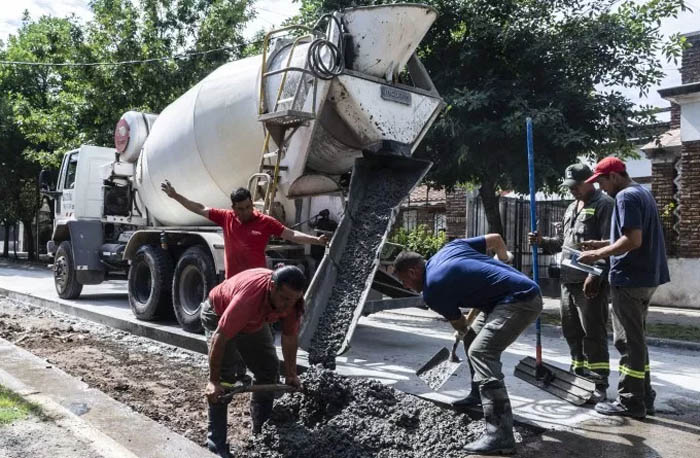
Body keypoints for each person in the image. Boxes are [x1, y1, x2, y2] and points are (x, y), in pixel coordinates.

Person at [394, 234, 542, 455]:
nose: (405, 286)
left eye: (403, 281)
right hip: (505, 297)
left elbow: (460, 323)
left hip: (520, 300)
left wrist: (461, 329)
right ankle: (478, 394)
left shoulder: (432, 289)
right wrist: (504, 258)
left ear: (412, 272)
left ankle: (500, 435)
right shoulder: (450, 249)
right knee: (472, 338)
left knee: (481, 352)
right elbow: (496, 239)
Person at [578, 157, 669, 419]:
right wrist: (602, 243)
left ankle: (630, 401)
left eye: (602, 182)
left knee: (626, 341)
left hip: (630, 278)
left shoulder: (625, 197)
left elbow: (633, 240)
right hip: (647, 277)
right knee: (637, 339)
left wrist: (597, 255)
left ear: (615, 176)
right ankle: (645, 396)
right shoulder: (642, 192)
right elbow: (632, 235)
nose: (601, 188)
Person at [528, 163, 614, 403]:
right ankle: (578, 373)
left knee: (593, 333)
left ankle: (598, 382)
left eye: (576, 186)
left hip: (589, 282)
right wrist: (542, 241)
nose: (572, 190)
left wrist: (596, 274)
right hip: (568, 280)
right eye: (569, 187)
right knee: (571, 331)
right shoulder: (571, 207)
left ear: (590, 181)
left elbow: (609, 244)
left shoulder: (604, 205)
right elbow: (563, 243)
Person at [201, 265, 306, 457]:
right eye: (284, 298)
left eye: (293, 300)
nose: (287, 305)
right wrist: (213, 381)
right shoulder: (249, 299)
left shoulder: (293, 303)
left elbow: (290, 336)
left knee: (269, 369)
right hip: (218, 314)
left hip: (253, 322)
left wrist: (291, 374)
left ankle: (261, 434)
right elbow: (220, 337)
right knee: (225, 381)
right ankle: (216, 446)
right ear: (272, 286)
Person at [161, 181, 327, 279]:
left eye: (248, 207)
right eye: (241, 209)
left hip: (256, 280)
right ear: (233, 207)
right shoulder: (226, 217)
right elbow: (199, 208)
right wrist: (175, 196)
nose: (246, 212)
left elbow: (291, 234)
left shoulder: (265, 222)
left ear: (252, 204)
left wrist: (316, 240)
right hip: (233, 281)